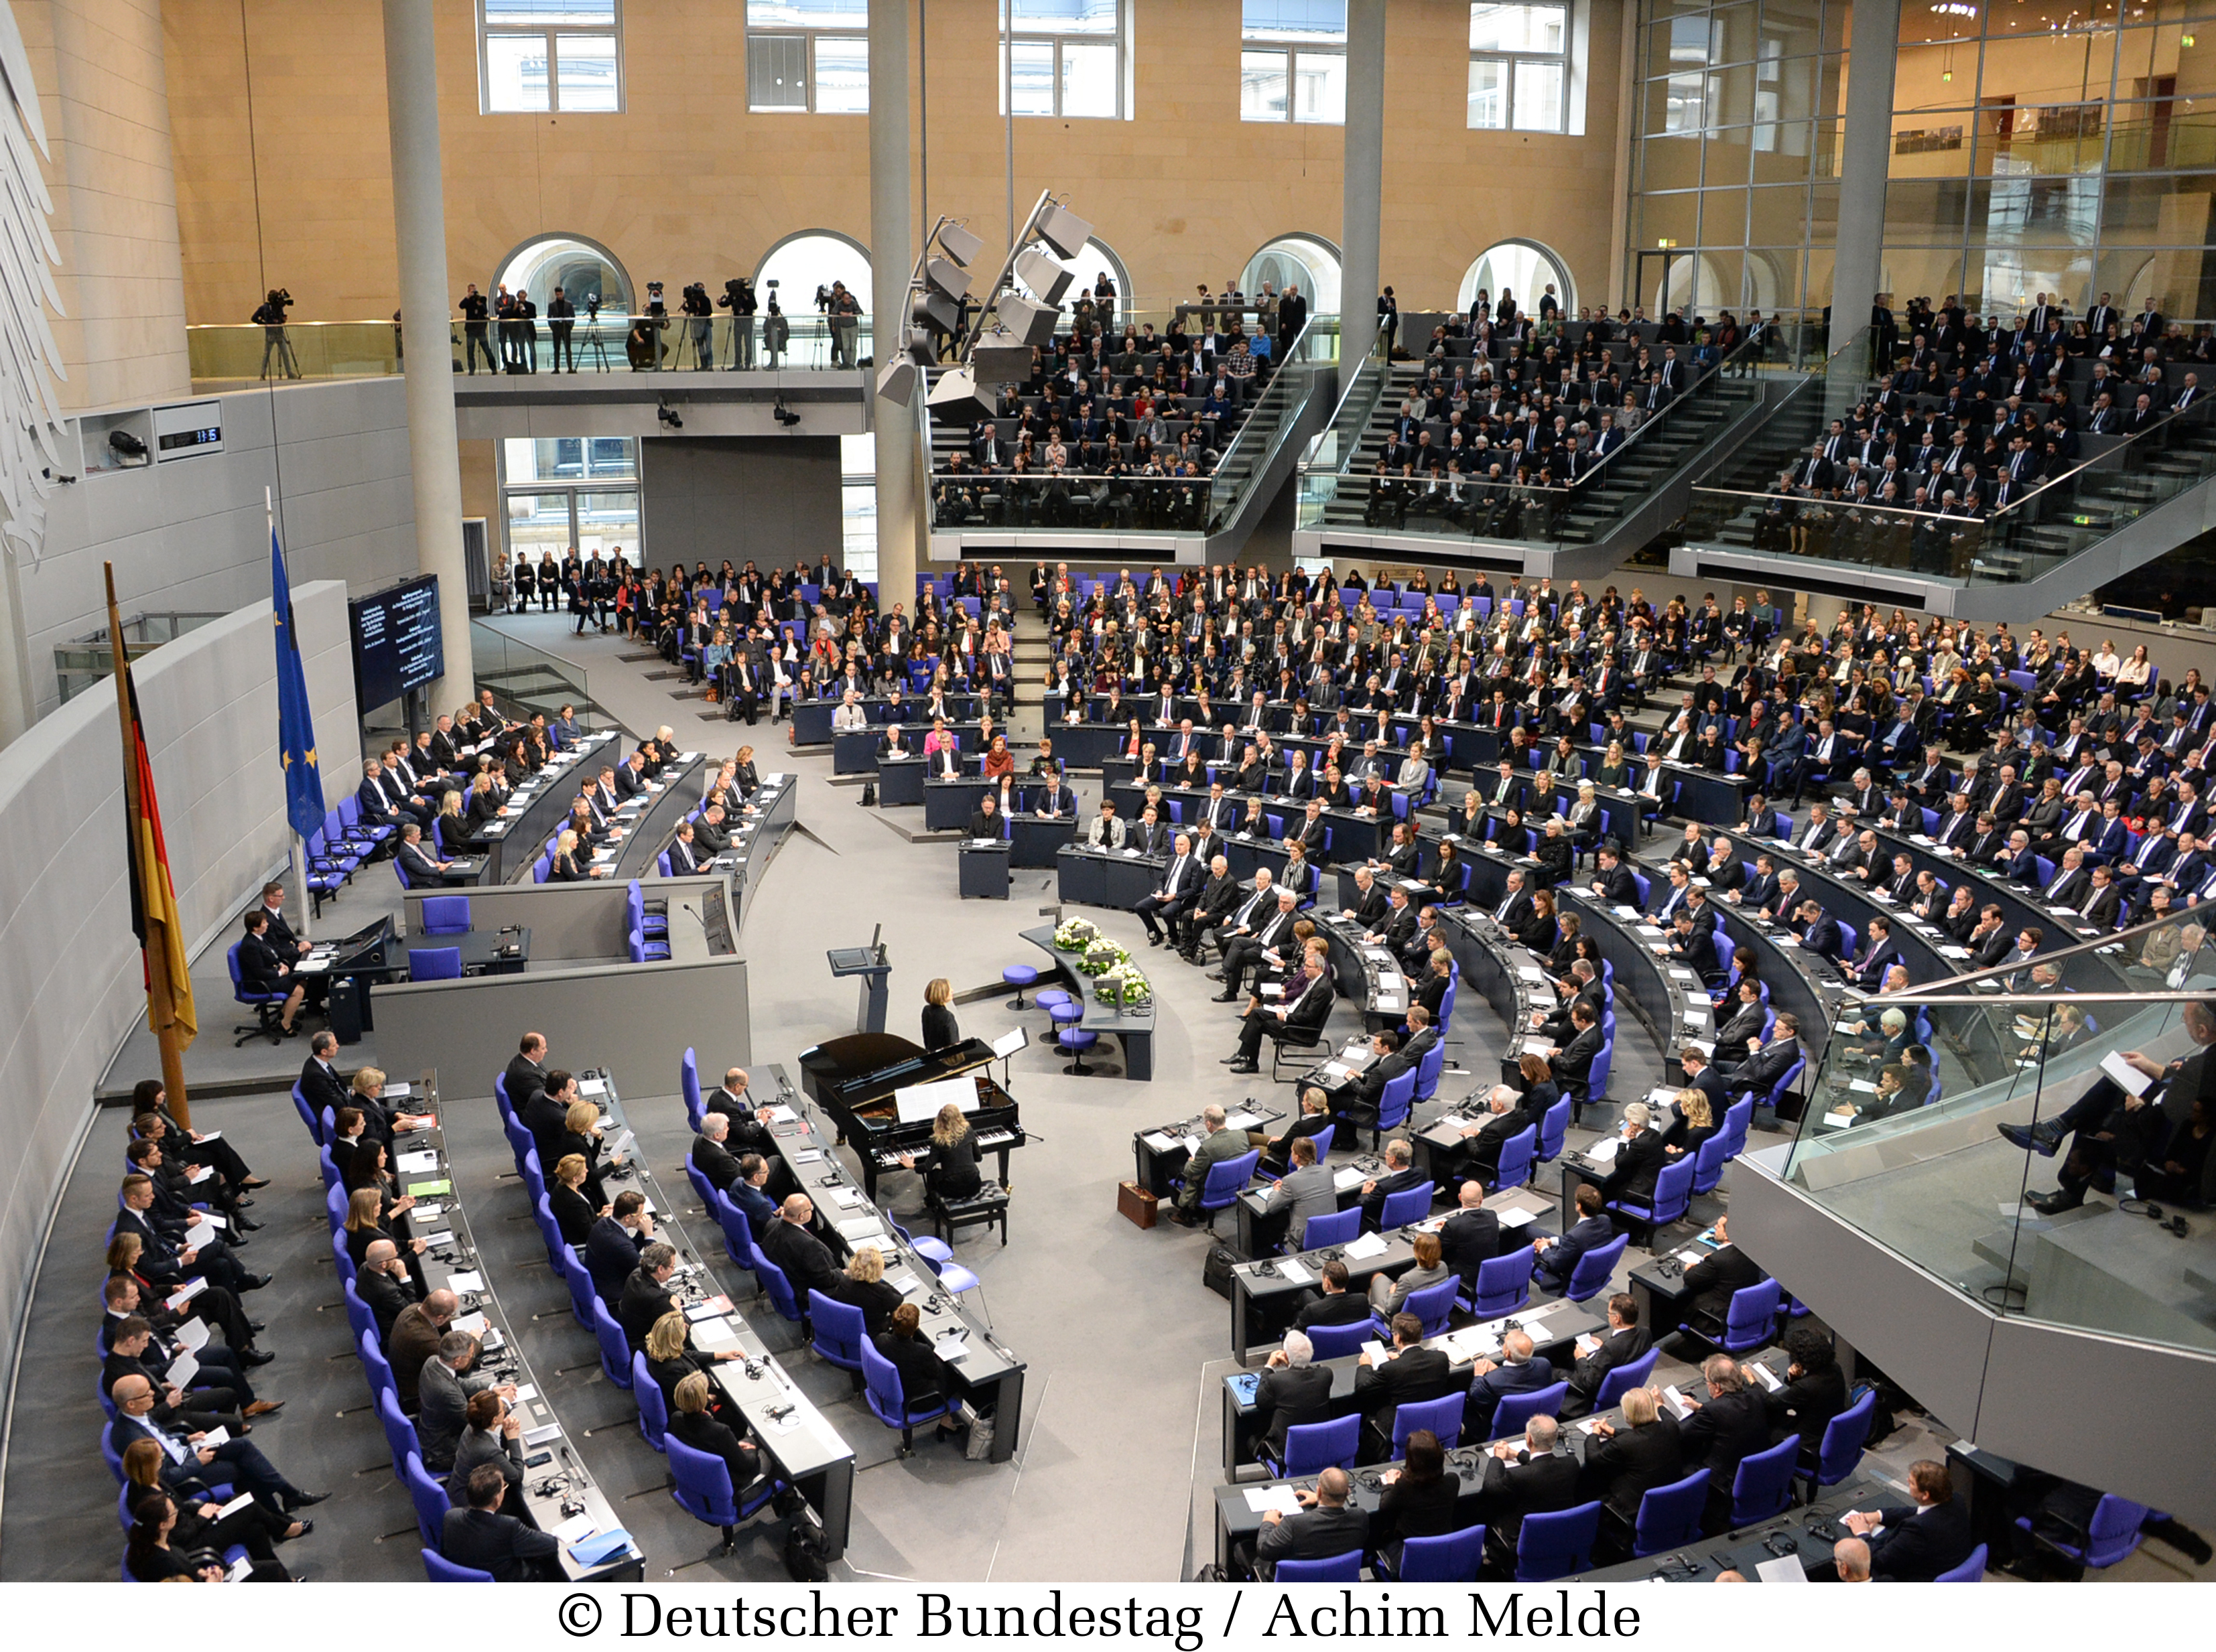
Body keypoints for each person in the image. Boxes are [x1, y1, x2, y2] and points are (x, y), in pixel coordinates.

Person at [1845, 1459, 1975, 1581]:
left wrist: (1862, 1533)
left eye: (1912, 1483)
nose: (1907, 1481)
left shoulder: (1918, 1529)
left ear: (1925, 1495)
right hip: (1948, 1565)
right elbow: (1917, 1511)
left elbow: (1880, 1562)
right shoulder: (1956, 1500)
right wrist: (1879, 1516)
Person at [1352, 1311, 1457, 1462]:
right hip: (1433, 1419)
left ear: (1398, 1338)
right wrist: (1402, 1359)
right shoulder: (1441, 1358)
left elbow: (1362, 1388)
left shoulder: (1390, 1369)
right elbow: (1417, 1369)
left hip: (1400, 1426)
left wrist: (1365, 1366)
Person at [1674, 1355, 1772, 1511]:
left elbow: (1680, 1434)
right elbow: (1728, 1411)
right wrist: (1699, 1407)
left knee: (1679, 1460)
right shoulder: (1755, 1395)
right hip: (1755, 1470)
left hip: (1724, 1477)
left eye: (1707, 1382)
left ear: (1717, 1387)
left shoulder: (1712, 1410)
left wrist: (1661, 1409)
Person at [443, 1462, 564, 1582]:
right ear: (497, 1499)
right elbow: (550, 1544)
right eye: (504, 1487)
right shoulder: (507, 1527)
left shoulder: (451, 1516)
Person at [1577, 1385, 1683, 1520]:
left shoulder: (1623, 1443)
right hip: (1669, 1497)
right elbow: (1647, 1433)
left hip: (1634, 1509)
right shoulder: (1671, 1427)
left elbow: (1593, 1459)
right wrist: (1614, 1432)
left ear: (1628, 1415)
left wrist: (1594, 1434)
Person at [1245, 1464, 1366, 1582]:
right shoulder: (1360, 1518)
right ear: (1348, 1492)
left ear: (1318, 1491)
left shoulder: (1295, 1524)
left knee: (1242, 1549)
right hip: (1337, 1581)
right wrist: (1320, 1500)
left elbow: (1264, 1550)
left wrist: (1268, 1523)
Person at [418, 1330, 513, 1474]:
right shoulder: (446, 1392)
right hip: (443, 1452)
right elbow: (476, 1421)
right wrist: (504, 1402)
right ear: (457, 1361)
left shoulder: (432, 1362)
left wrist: (492, 1388)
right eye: (470, 1356)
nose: (471, 1359)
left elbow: (458, 1383)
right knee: (496, 1454)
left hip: (431, 1434)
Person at [668, 1369, 765, 1495]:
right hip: (732, 1488)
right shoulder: (720, 1431)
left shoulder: (677, 1419)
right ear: (703, 1399)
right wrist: (752, 1449)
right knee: (766, 1446)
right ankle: (787, 1498)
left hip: (701, 1479)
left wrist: (733, 1446)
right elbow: (746, 1465)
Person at [1560, 1292, 1652, 1420]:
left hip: (1589, 1392)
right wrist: (1603, 1346)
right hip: (1617, 1380)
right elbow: (1625, 1351)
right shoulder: (1645, 1333)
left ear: (1617, 1318)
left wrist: (1580, 1358)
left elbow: (1589, 1383)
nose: (1608, 1316)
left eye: (1609, 1313)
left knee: (1553, 1370)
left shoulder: (1610, 1349)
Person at [1766, 1322, 1848, 1452]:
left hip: (1807, 1445)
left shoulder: (1807, 1386)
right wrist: (1795, 1380)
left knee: (1766, 1426)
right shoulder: (1835, 1369)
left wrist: (1754, 1382)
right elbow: (1808, 1399)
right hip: (1825, 1432)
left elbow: (1773, 1402)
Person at [1254, 1329, 1334, 1460]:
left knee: (1253, 1441)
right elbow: (1300, 1383)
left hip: (1287, 1452)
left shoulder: (1275, 1381)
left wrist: (1269, 1367)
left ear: (1285, 1354)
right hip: (1318, 1445)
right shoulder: (1326, 1374)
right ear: (1311, 1352)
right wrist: (1291, 1367)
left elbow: (1261, 1401)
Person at [1464, 1329, 1555, 1442]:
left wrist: (1479, 1375)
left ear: (1507, 1353)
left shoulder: (1492, 1381)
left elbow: (1475, 1398)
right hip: (1533, 1419)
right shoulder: (1544, 1365)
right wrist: (1499, 1371)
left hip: (1500, 1427)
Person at [445, 1387, 526, 1511]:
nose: (505, 1410)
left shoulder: (472, 1427)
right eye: (503, 1409)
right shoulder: (487, 1450)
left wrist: (506, 1434)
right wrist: (513, 1439)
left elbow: (497, 1452)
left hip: (456, 1491)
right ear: (494, 1420)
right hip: (469, 1503)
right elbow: (516, 1476)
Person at [1531, 1181, 1611, 1293]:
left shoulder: (1575, 1236)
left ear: (1579, 1206)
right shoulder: (1605, 1220)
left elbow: (1555, 1264)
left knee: (1529, 1248)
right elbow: (1579, 1239)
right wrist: (1550, 1242)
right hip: (1582, 1260)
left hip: (1567, 1274)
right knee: (1528, 1231)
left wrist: (1544, 1248)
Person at [898, 1101, 984, 1204]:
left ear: (940, 1121)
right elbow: (979, 1158)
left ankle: (932, 1202)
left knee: (932, 1173)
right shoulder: (968, 1131)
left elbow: (927, 1167)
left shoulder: (939, 1139)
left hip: (953, 1189)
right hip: (974, 1185)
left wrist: (912, 1166)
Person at [1260, 1134, 1335, 1251]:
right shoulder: (1328, 1171)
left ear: (1297, 1157)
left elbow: (1271, 1208)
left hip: (1303, 1238)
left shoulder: (1291, 1180)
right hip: (1331, 1230)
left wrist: (1275, 1191)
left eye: (1292, 1152)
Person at [761, 1194, 843, 1300]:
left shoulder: (772, 1223)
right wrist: (844, 1272)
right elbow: (826, 1280)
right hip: (807, 1291)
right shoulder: (808, 1245)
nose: (812, 1211)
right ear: (801, 1216)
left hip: (790, 1275)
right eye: (810, 1209)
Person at [1370, 1229, 1451, 1314]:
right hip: (1432, 1312)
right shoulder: (1443, 1266)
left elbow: (1390, 1309)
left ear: (1416, 1251)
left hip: (1405, 1319)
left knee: (1377, 1277)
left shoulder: (1408, 1279)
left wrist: (1392, 1292)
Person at [833, 1245, 905, 1335]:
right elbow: (899, 1299)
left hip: (845, 1330)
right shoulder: (882, 1292)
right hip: (870, 1336)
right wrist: (880, 1281)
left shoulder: (845, 1281)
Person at [1292, 1259, 1375, 1330]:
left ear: (1328, 1282)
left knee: (1299, 1314)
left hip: (1322, 1344)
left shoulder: (1312, 1310)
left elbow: (1295, 1333)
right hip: (1351, 1341)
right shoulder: (1362, 1300)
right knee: (1307, 1294)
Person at [921, 977, 960, 1051]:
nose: (952, 991)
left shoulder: (926, 1010)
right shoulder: (947, 1017)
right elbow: (954, 1045)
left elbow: (926, 1037)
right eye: (949, 989)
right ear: (943, 994)